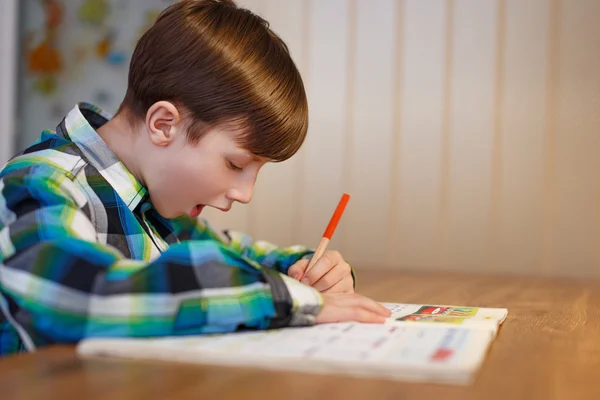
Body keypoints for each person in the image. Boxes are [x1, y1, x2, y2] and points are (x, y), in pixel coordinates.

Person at [0, 0, 389, 357]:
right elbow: (81, 298)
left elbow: (236, 254)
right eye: (236, 165)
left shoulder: (150, 199)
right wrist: (291, 301)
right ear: (164, 124)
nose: (245, 193)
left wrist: (307, 270)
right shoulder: (41, 183)